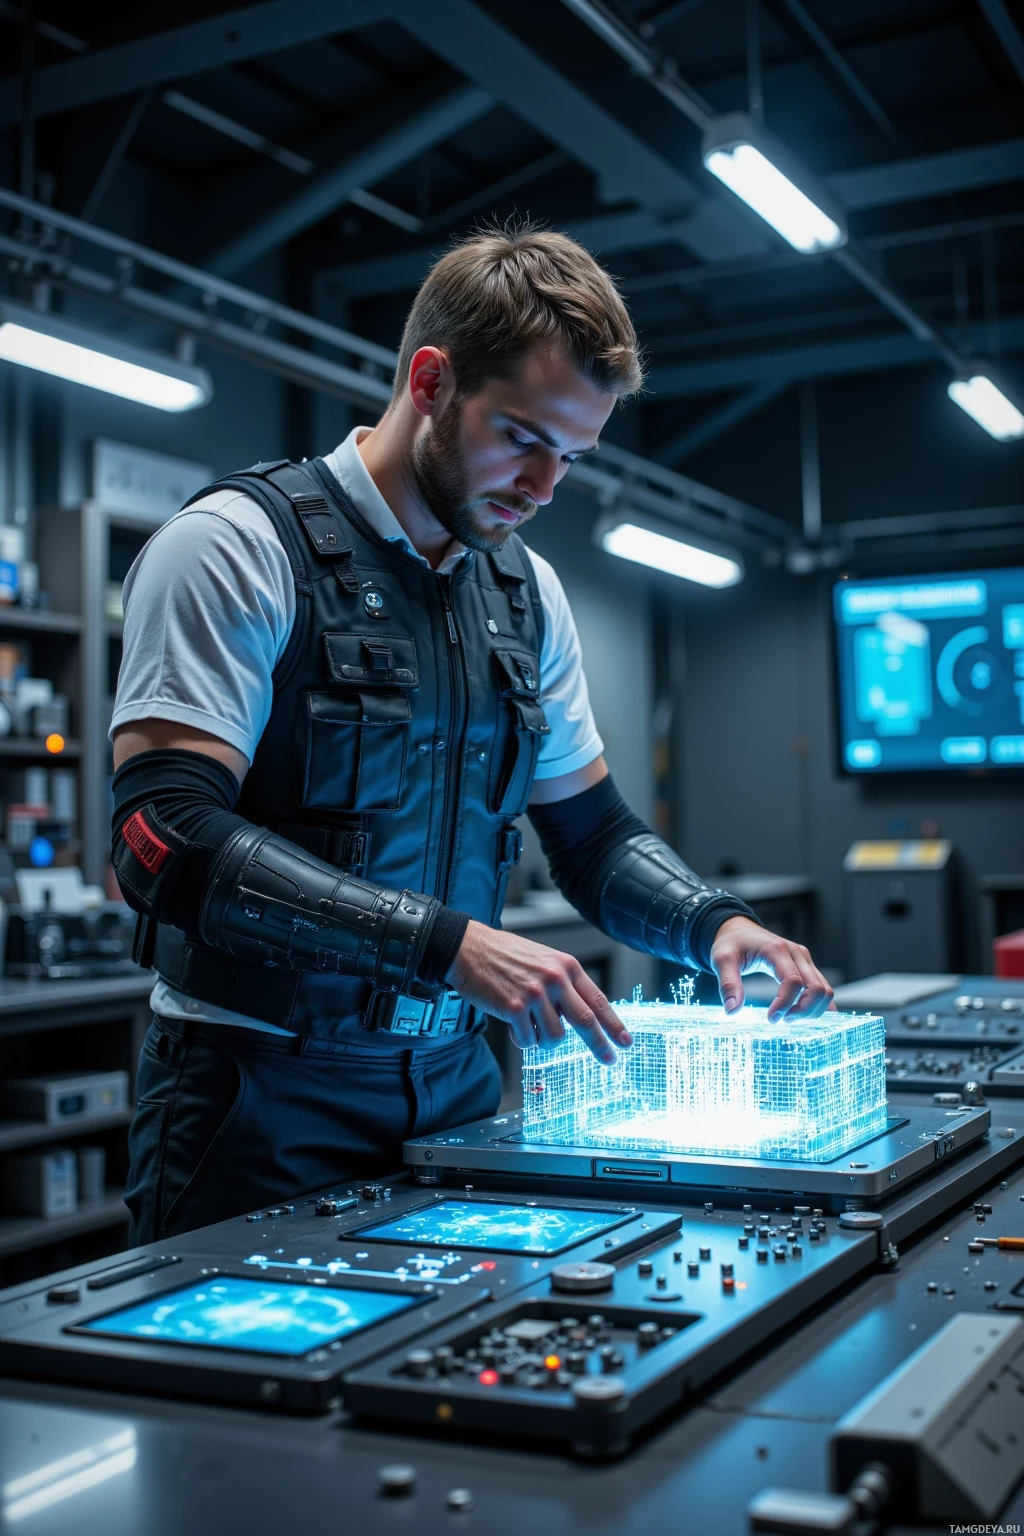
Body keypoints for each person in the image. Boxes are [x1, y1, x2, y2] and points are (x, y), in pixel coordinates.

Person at [110, 223, 833, 1244]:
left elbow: (590, 837)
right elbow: (161, 838)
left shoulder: (524, 593)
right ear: (432, 379)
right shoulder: (234, 547)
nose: (543, 490)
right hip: (257, 1098)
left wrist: (711, 922)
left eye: (572, 458)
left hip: (456, 1088)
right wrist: (444, 947)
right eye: (524, 439)